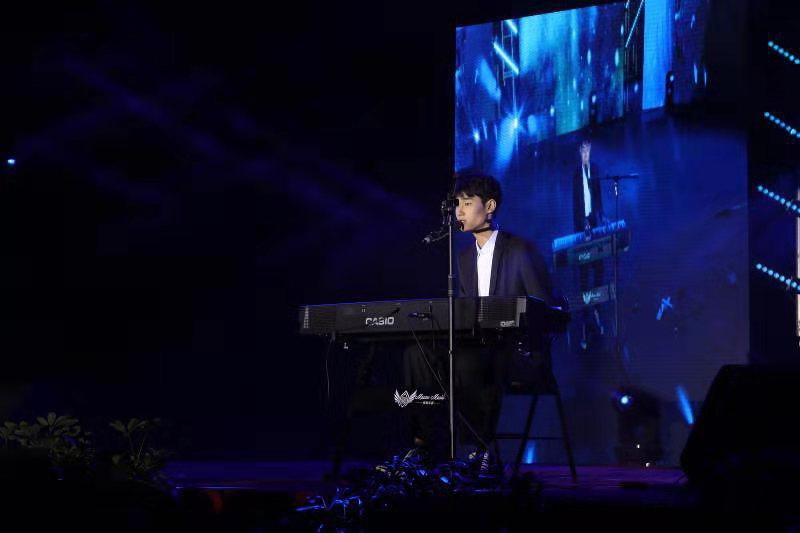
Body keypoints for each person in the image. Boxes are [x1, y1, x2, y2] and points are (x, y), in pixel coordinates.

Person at [404, 173, 554, 470]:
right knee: (416, 355)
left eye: (467, 203)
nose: (458, 211)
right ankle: (425, 443)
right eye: (457, 203)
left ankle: (478, 448)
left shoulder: (520, 249)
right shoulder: (463, 258)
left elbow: (546, 310)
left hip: (514, 351)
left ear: (490, 207)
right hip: (475, 347)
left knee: (468, 361)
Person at [571, 139, 606, 347]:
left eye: (588, 150)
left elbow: (598, 197)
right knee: (584, 271)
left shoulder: (596, 169)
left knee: (599, 267)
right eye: (583, 151)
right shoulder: (576, 174)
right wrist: (582, 223)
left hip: (595, 223)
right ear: (579, 152)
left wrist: (602, 215)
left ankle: (598, 308)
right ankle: (585, 315)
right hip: (581, 225)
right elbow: (575, 204)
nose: (586, 154)